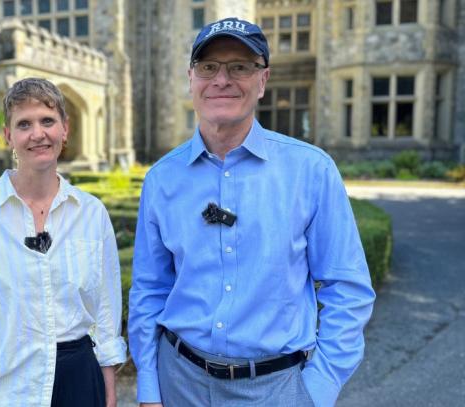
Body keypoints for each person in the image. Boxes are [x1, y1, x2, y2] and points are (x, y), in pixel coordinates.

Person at [128, 17, 376, 407]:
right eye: (209, 67)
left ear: (263, 80)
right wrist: (149, 385)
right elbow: (150, 288)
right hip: (179, 384)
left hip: (276, 390)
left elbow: (349, 289)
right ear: (191, 78)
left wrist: (316, 390)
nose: (221, 79)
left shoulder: (310, 170)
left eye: (239, 67)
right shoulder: (161, 179)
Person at [0, 77, 127, 407]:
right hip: (9, 384)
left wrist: (108, 392)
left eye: (47, 121)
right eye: (24, 124)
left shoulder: (91, 213)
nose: (37, 134)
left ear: (65, 129)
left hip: (80, 381)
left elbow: (106, 313)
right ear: (8, 135)